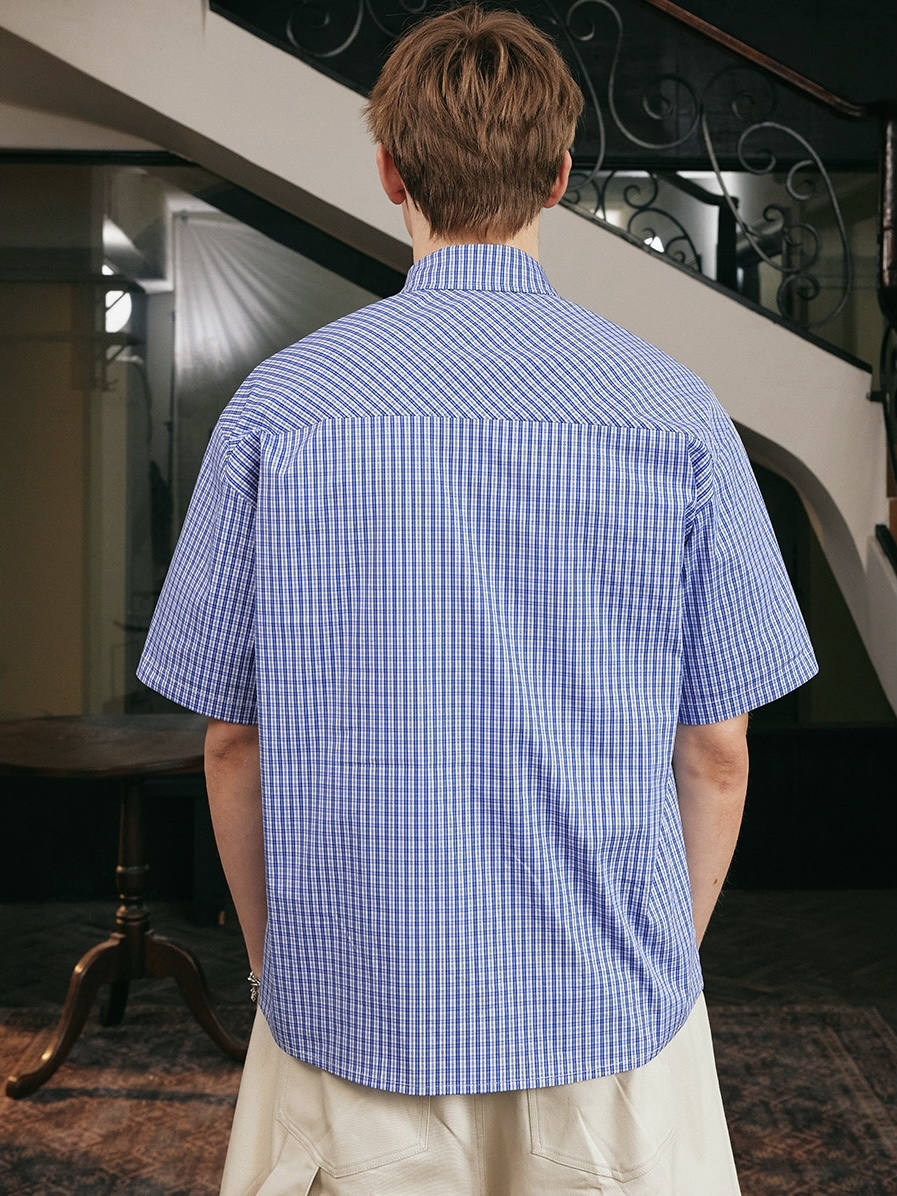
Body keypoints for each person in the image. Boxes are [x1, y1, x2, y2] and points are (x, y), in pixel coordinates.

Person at [137, 6, 818, 1192]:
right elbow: (717, 755)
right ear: (559, 176)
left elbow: (233, 742)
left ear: (390, 170)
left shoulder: (277, 411)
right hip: (612, 1022)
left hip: (348, 1008)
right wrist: (653, 966)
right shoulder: (677, 412)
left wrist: (278, 970)